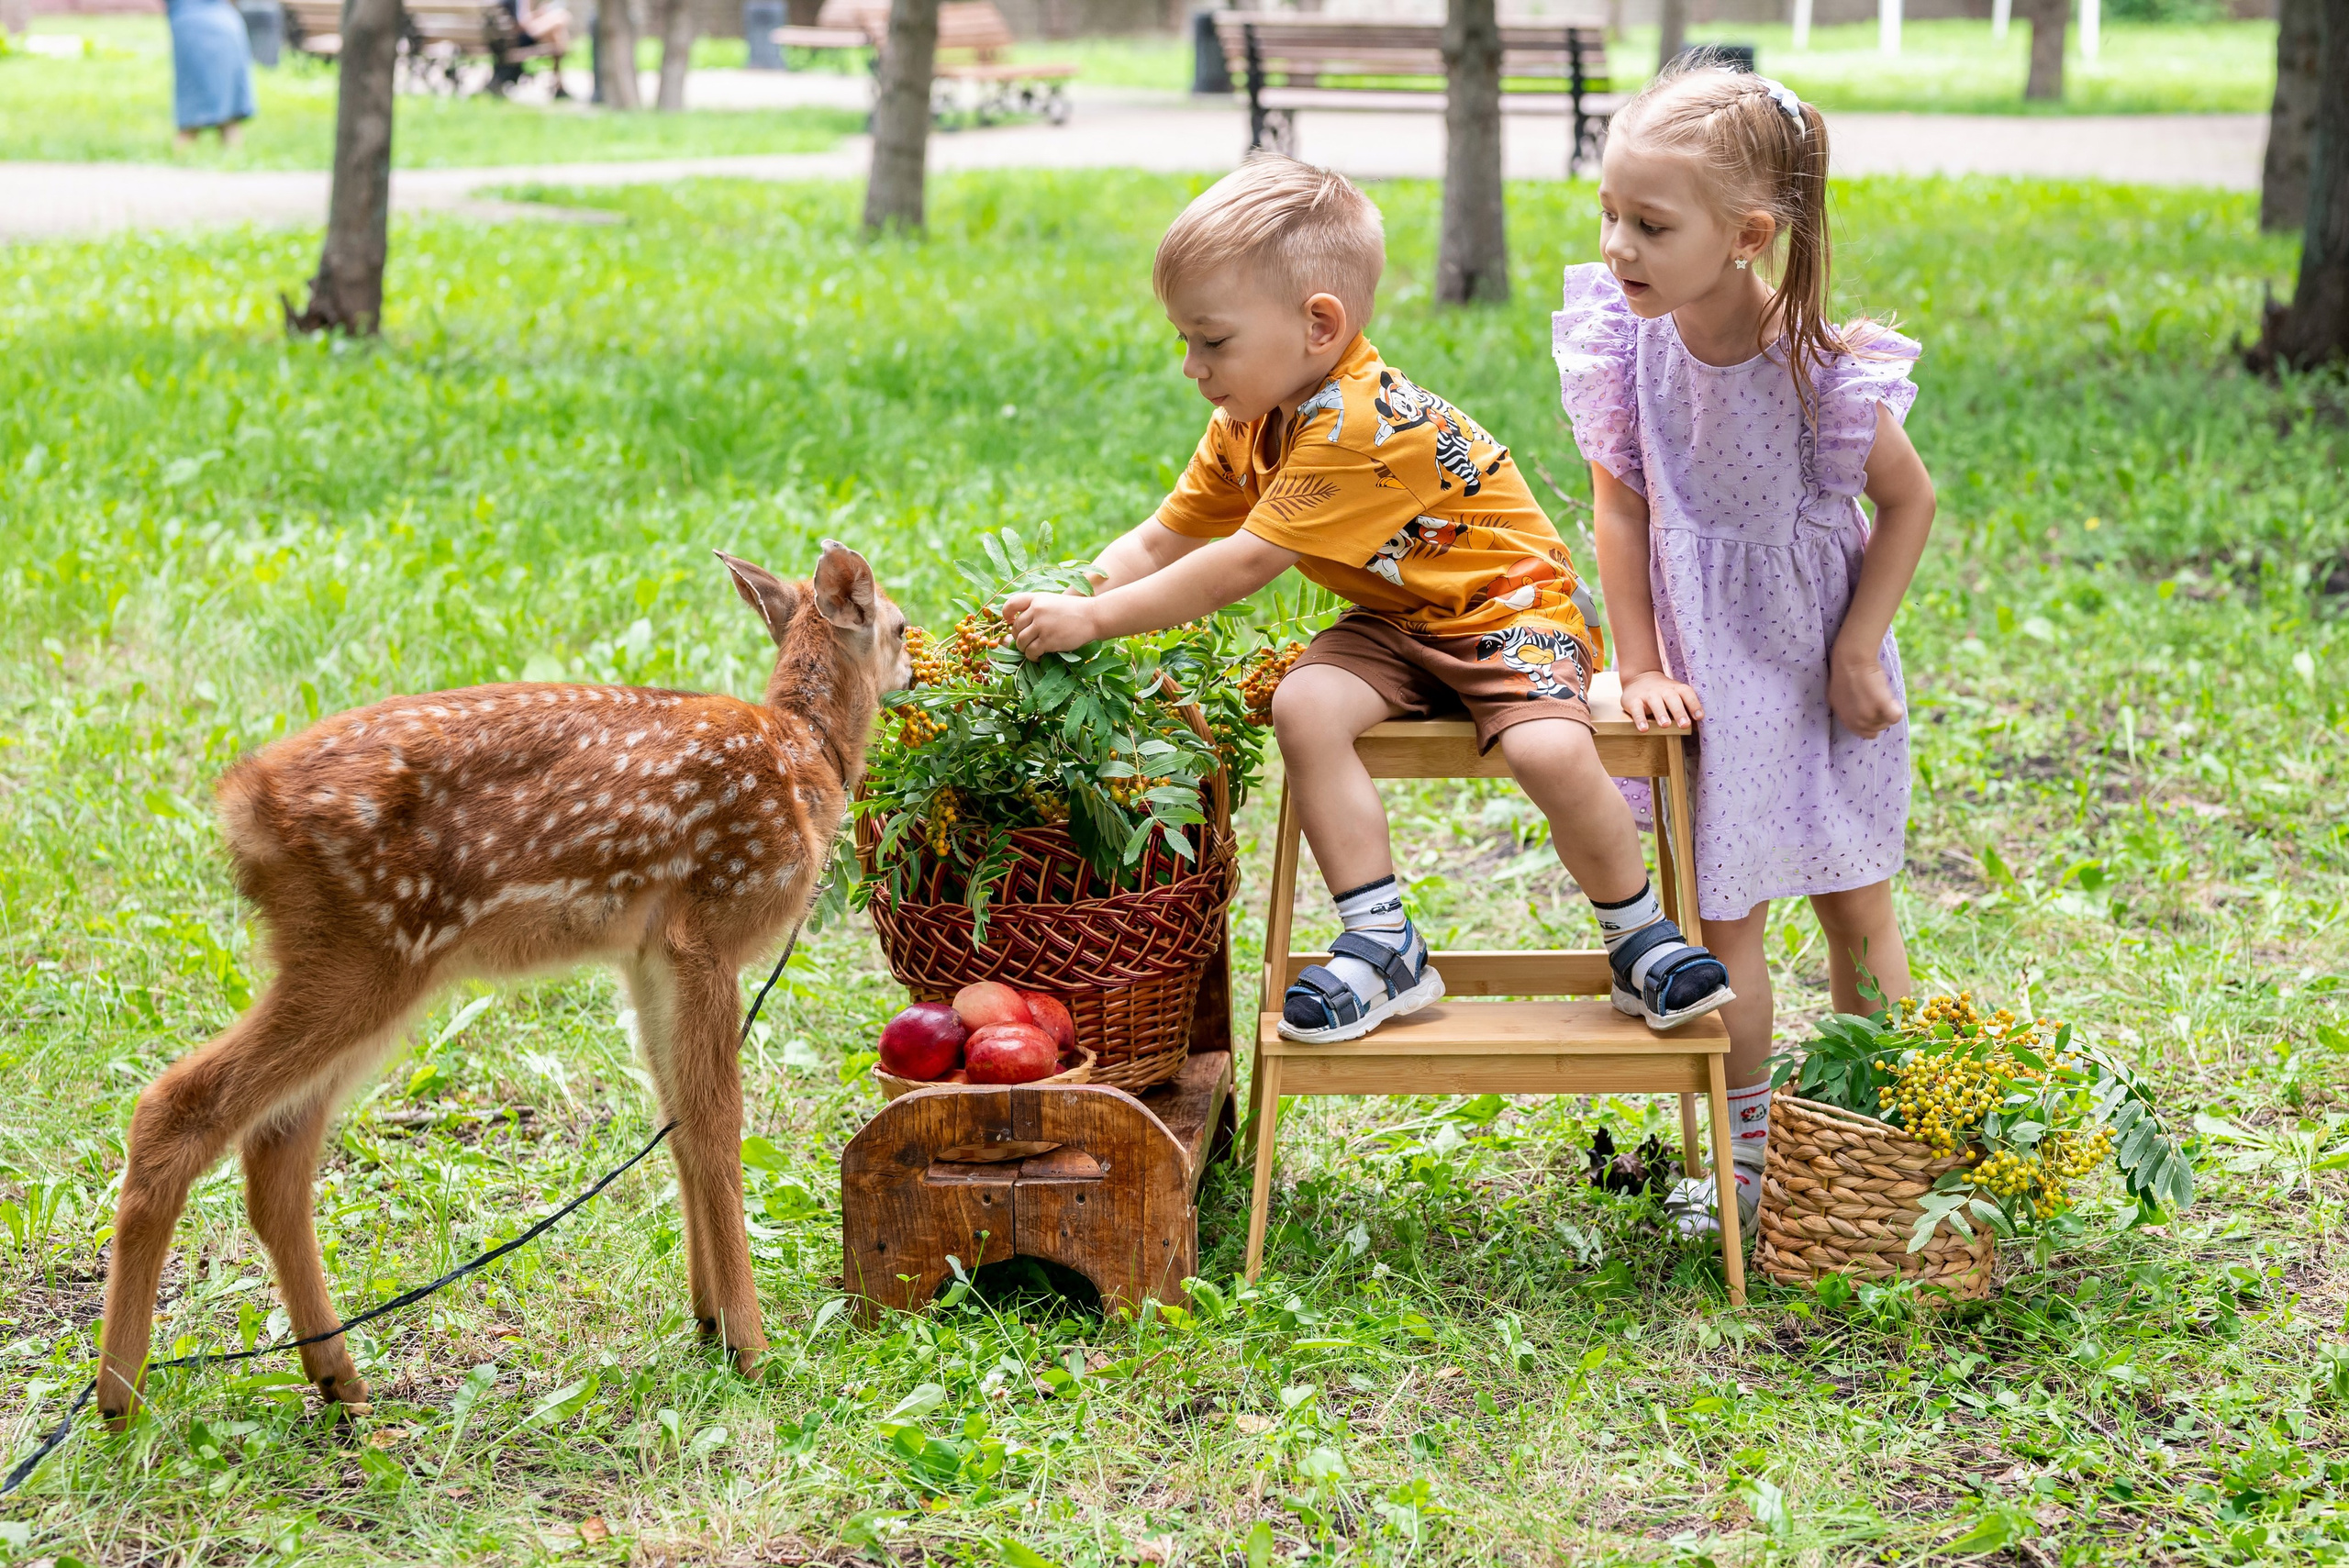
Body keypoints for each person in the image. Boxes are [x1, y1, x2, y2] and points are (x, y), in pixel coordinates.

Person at [1005, 153, 1735, 1047]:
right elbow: (1164, 538)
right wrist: (1067, 590)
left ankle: (1637, 935)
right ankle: (1382, 939)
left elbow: (1238, 565)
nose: (1192, 365)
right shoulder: (1248, 418)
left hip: (1509, 606)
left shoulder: (1356, 425)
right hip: (1397, 620)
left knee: (1546, 749)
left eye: (1212, 339)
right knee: (1305, 704)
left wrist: (1094, 621)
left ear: (1319, 325)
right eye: (1185, 340)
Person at [1553, 65, 1938, 1236]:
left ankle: (1894, 1132)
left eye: (1651, 225)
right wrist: (1645, 657)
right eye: (1610, 214)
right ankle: (1749, 1159)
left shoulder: (1818, 363)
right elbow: (1619, 512)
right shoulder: (1629, 342)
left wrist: (1860, 648)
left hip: (1816, 659)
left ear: (1746, 235)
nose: (1619, 245)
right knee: (1727, 923)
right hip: (1709, 669)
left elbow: (1908, 504)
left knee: (1855, 904)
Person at [167, 0, 257, 149]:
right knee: (229, 114)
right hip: (227, 23)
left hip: (191, 24)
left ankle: (183, 162)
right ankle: (231, 165)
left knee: (191, 114)